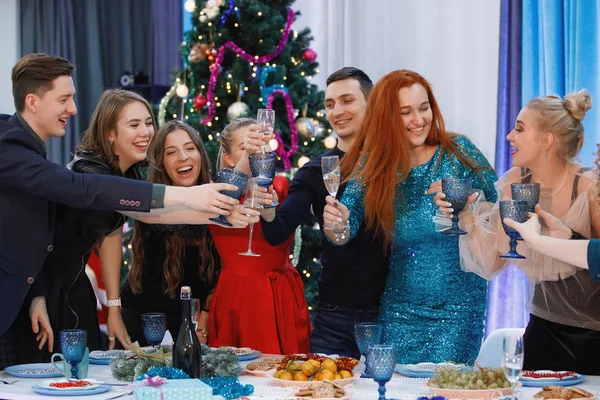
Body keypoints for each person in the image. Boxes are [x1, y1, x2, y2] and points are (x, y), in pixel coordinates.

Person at [0, 53, 238, 368]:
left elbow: (133, 220)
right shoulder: (24, 154)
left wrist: (222, 214)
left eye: (148, 123)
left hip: (63, 291)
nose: (73, 108)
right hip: (49, 295)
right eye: (65, 99)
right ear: (32, 101)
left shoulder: (109, 169)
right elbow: (92, 193)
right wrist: (193, 196)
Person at [324, 69, 497, 364]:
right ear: (387, 117)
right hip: (398, 312)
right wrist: (336, 222)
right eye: (405, 112)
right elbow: (343, 230)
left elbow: (498, 208)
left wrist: (469, 205)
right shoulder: (376, 163)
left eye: (424, 108)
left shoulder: (459, 151)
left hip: (457, 314)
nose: (419, 120)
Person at [444, 90, 600, 373]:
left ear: (546, 140)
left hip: (594, 339)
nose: (509, 137)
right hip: (541, 334)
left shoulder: (589, 186)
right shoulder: (513, 184)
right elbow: (493, 261)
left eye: (519, 129)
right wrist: (466, 218)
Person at [255, 67, 389, 358]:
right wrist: (266, 207)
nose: (337, 111)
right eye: (330, 104)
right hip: (333, 319)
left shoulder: (393, 163)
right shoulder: (314, 171)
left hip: (390, 315)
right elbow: (278, 230)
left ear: (372, 103)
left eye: (347, 100)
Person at [120, 121, 257, 345]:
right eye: (171, 152)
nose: (183, 157)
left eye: (190, 148)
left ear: (201, 154)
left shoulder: (216, 196)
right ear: (162, 163)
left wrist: (206, 310)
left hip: (194, 323)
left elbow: (222, 267)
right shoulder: (152, 202)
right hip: (145, 322)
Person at [208, 117, 311, 354]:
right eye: (245, 149)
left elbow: (280, 232)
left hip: (278, 297)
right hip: (234, 297)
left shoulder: (281, 188)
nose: (254, 154)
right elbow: (222, 208)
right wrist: (247, 164)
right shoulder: (218, 192)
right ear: (229, 158)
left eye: (259, 147)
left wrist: (268, 203)